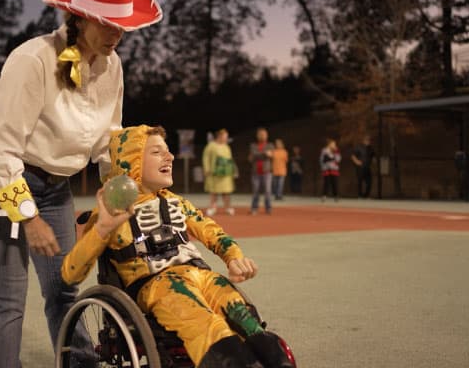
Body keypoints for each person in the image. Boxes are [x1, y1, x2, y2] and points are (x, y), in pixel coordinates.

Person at [0, 0, 163, 367]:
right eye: (107, 24)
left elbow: (108, 142)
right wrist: (28, 216)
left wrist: (122, 195)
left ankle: (80, 364)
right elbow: (1, 149)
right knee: (8, 299)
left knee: (64, 287)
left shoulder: (112, 65)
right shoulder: (33, 60)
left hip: (53, 187)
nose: (117, 35)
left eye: (122, 27)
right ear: (80, 18)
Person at [62, 125, 295, 368]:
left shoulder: (176, 202)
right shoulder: (111, 211)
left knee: (243, 317)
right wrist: (101, 229)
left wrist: (233, 256)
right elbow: (71, 273)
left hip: (202, 276)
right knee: (205, 325)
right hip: (159, 284)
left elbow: (211, 231)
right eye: (156, 152)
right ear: (131, 161)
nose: (170, 157)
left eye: (168, 150)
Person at [203, 129, 237, 216]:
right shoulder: (211, 146)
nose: (226, 138)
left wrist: (233, 170)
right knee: (214, 192)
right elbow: (206, 158)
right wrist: (206, 169)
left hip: (225, 174)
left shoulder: (227, 146)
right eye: (225, 136)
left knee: (226, 192)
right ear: (219, 136)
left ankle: (228, 207)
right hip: (214, 173)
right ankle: (212, 208)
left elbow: (230, 160)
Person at [248, 128, 274, 214]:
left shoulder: (270, 145)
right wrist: (264, 153)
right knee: (255, 190)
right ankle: (254, 208)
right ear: (257, 136)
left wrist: (257, 154)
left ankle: (268, 208)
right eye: (261, 134)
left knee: (267, 191)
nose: (262, 136)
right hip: (255, 172)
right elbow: (253, 154)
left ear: (267, 135)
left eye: (264, 134)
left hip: (267, 172)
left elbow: (270, 155)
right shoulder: (253, 145)